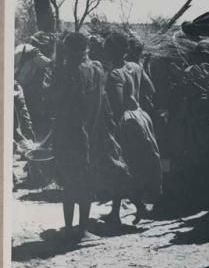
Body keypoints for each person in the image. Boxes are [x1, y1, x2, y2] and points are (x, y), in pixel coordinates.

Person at [52, 32, 132, 236]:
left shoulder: (67, 71)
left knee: (69, 181)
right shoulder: (97, 68)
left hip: (70, 132)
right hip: (93, 130)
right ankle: (83, 227)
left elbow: (60, 105)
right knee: (86, 180)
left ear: (68, 50)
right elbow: (103, 102)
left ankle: (71, 229)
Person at [103, 32, 162, 225]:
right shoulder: (136, 67)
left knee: (120, 166)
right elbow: (151, 89)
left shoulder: (115, 74)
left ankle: (132, 208)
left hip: (125, 122)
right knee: (133, 165)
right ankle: (120, 211)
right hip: (141, 118)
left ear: (111, 51)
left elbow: (118, 103)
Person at [14, 32, 54, 139]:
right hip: (17, 87)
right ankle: (29, 139)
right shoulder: (34, 51)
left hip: (14, 81)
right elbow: (50, 64)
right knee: (24, 118)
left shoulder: (20, 47)